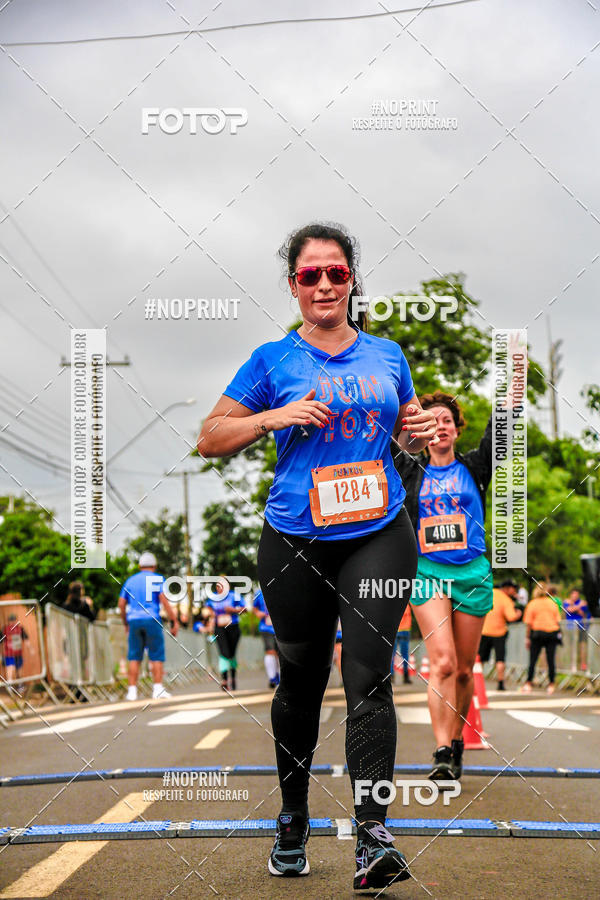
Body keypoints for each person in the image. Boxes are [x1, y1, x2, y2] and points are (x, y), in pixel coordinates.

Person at [198, 221, 438, 890]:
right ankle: (294, 818)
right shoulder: (272, 361)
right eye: (311, 275)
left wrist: (415, 435)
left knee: (370, 678)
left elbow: (407, 433)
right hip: (295, 539)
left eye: (337, 272)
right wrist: (269, 419)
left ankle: (372, 834)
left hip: (376, 533)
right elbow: (210, 438)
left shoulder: (388, 354)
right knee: (301, 683)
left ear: (353, 280)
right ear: (294, 286)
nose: (325, 284)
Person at [393, 391, 496, 785]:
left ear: (456, 429)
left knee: (466, 671)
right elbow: (384, 440)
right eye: (432, 421)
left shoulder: (474, 466)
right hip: (427, 571)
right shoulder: (411, 470)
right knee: (444, 663)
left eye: (447, 421)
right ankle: (439, 751)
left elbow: (498, 434)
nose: (440, 427)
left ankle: (456, 743)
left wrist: (509, 390)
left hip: (472, 573)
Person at [118, 552, 179, 701]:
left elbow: (121, 604)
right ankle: (157, 689)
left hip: (134, 620)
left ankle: (132, 691)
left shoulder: (130, 581)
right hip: (152, 619)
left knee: (134, 656)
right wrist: (174, 621)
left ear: (139, 566)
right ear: (154, 566)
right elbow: (164, 601)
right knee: (156, 655)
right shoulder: (157, 579)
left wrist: (125, 622)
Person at [479, 580, 522, 690]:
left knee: (480, 658)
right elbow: (511, 617)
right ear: (507, 588)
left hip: (483, 630)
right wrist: (518, 613)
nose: (515, 591)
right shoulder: (506, 599)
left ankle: (476, 680)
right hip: (499, 633)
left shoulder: (487, 593)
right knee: (500, 659)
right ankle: (500, 683)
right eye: (513, 588)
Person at [204, 578, 246, 691]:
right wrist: (211, 614)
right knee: (224, 653)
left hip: (233, 627)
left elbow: (245, 609)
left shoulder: (234, 596)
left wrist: (233, 610)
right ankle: (224, 680)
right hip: (219, 629)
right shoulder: (212, 598)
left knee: (231, 654)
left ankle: (232, 677)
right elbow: (207, 610)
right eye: (218, 586)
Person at [521, 586, 562, 693]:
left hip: (537, 633)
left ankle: (528, 683)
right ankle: (551, 684)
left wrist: (527, 638)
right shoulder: (552, 603)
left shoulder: (532, 604)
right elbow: (558, 620)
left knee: (533, 660)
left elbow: (528, 623)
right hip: (552, 633)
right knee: (551, 660)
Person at [253, 588, 280, 688]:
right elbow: (254, 608)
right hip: (266, 627)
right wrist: (258, 613)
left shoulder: (282, 588)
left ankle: (278, 675)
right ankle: (272, 677)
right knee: (270, 651)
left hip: (281, 628)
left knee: (280, 653)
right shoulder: (259, 592)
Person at [563, 587, 591, 671]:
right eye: (573, 594)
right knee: (571, 648)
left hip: (581, 628)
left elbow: (584, 613)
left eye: (577, 595)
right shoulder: (567, 602)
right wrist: (578, 606)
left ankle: (582, 666)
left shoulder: (582, 602)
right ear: (570, 595)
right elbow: (569, 610)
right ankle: (571, 665)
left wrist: (575, 607)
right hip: (570, 629)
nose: (575, 596)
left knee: (582, 647)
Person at [391, 603, 412, 684]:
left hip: (395, 631)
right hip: (405, 631)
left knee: (392, 655)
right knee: (405, 655)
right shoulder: (407, 605)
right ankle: (406, 677)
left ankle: (391, 676)